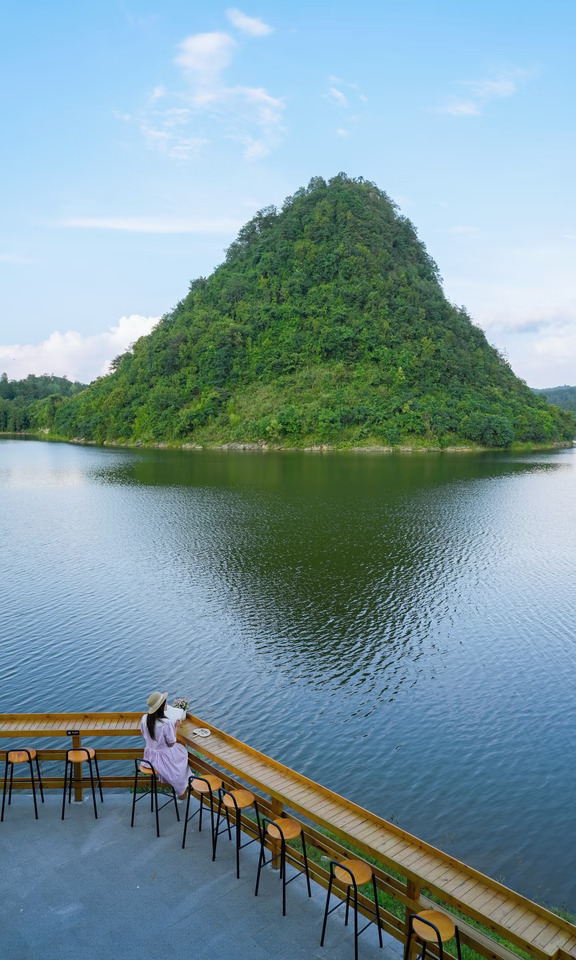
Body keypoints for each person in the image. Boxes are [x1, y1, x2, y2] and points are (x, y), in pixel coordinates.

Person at [140, 691, 191, 798]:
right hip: (163, 757)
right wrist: (176, 727)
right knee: (182, 754)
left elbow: (144, 734)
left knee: (180, 756)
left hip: (148, 757)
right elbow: (171, 743)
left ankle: (185, 784)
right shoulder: (166, 723)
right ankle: (182, 793)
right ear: (161, 707)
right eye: (165, 702)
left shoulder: (144, 718)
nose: (167, 703)